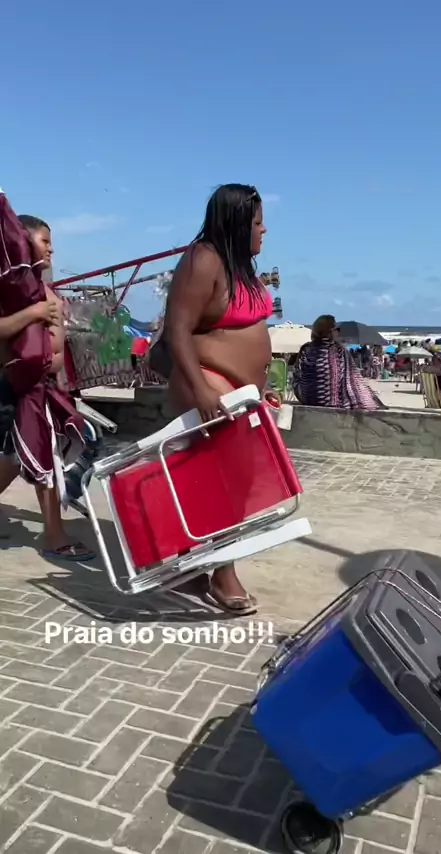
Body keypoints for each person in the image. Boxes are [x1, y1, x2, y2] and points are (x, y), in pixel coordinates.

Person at [161, 184, 275, 616]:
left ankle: (192, 565)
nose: (264, 230)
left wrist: (263, 384)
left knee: (223, 481)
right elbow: (177, 329)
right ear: (237, 222)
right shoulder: (203, 259)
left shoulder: (240, 267)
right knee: (230, 483)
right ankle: (223, 573)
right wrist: (202, 389)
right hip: (210, 384)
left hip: (240, 390)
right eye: (258, 222)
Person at [0, 215, 95, 560]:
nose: (51, 249)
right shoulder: (12, 290)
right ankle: (55, 534)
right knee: (25, 457)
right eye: (44, 241)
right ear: (22, 244)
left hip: (46, 387)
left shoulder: (44, 288)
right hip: (15, 386)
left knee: (40, 456)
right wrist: (34, 312)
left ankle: (55, 532)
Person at [292, 315, 382, 409]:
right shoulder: (339, 351)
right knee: (351, 383)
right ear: (330, 331)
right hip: (332, 404)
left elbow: (297, 376)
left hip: (307, 400)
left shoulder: (305, 349)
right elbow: (353, 380)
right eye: (336, 329)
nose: (339, 332)